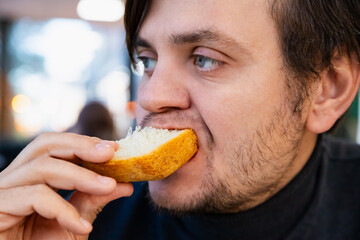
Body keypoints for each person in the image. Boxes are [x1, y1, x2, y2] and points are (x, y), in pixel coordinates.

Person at [0, 0, 359, 239]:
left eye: (205, 59)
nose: (149, 97)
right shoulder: (62, 218)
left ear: (327, 89)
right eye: (147, 61)